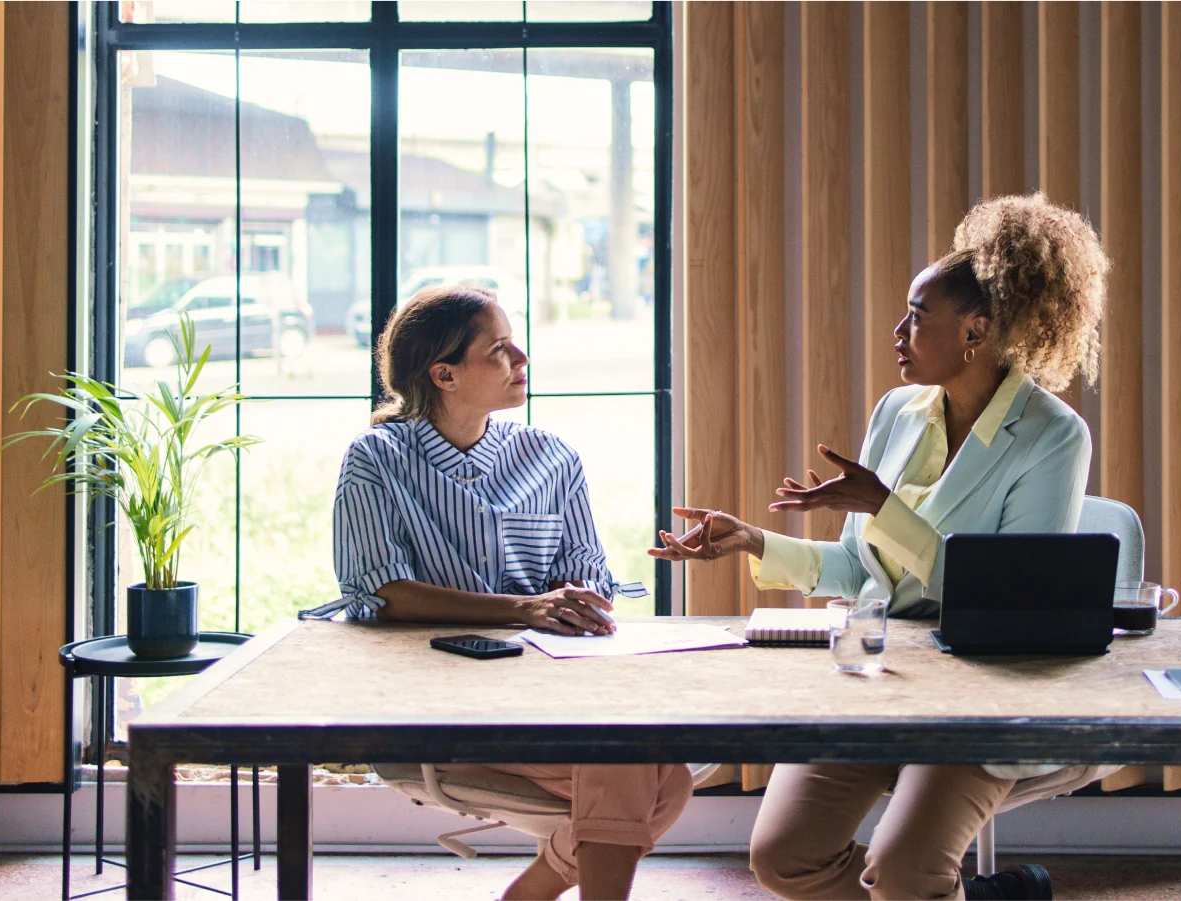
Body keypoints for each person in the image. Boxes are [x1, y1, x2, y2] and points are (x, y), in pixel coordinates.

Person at [650, 194, 1114, 901]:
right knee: (783, 856)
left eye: (918, 316)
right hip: (880, 675)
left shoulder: (1053, 435)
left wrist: (884, 507)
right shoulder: (897, 412)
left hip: (981, 696)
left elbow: (1010, 595)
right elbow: (856, 570)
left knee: (902, 873)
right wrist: (752, 541)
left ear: (977, 331)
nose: (898, 331)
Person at [316, 284, 690, 901]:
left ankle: (527, 896)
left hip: (548, 698)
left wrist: (581, 601)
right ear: (445, 374)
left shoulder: (550, 457)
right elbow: (381, 592)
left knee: (661, 777)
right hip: (437, 713)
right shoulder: (376, 459)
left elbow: (587, 569)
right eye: (498, 349)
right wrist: (525, 608)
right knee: (642, 768)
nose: (521, 360)